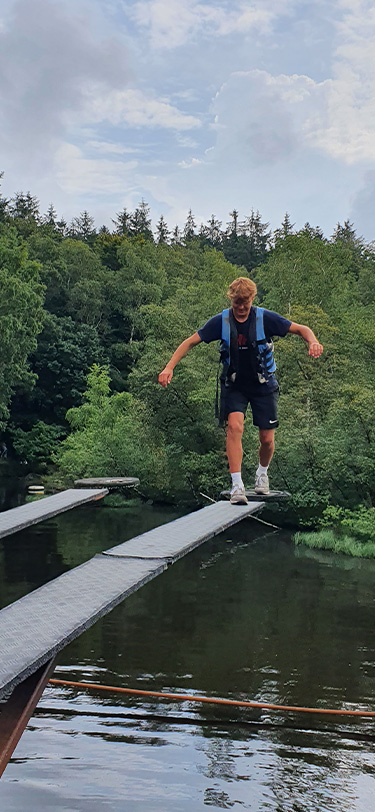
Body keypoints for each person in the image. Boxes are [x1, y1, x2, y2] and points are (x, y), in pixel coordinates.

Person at [158, 277, 323, 505]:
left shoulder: (265, 318)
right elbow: (190, 342)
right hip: (235, 385)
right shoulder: (221, 321)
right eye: (237, 303)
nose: (241, 308)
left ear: (252, 299)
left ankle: (262, 473)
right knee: (234, 427)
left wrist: (312, 341)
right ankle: (237, 485)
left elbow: (301, 329)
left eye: (245, 303)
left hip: (263, 384)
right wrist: (169, 367)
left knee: (266, 438)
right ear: (231, 300)